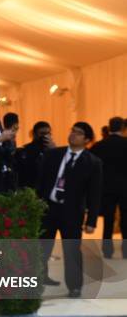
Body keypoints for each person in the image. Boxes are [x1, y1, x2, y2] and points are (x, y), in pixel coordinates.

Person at [37, 122, 103, 296]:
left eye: (79, 133)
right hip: (49, 208)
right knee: (42, 248)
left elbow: (94, 194)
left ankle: (74, 286)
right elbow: (41, 181)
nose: (73, 134)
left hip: (72, 213)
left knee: (72, 250)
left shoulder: (93, 162)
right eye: (72, 130)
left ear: (87, 139)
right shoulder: (53, 155)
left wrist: (92, 221)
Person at [91, 117, 127, 258]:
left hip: (106, 188)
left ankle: (107, 250)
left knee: (108, 219)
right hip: (125, 188)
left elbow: (92, 167)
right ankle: (125, 251)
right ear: (123, 128)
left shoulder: (99, 146)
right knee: (126, 219)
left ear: (109, 127)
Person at [14, 121, 55, 188]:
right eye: (42, 133)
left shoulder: (53, 150)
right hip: (30, 188)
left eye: (48, 133)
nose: (45, 136)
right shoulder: (25, 151)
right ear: (34, 134)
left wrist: (53, 151)